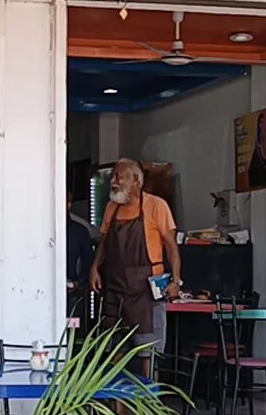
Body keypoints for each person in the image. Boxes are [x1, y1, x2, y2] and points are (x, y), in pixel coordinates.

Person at [88, 158, 181, 374]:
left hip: (146, 290)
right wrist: (94, 268)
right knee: (114, 348)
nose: (113, 181)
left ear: (136, 181)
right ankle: (116, 396)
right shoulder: (111, 208)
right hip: (115, 287)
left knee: (148, 351)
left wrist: (176, 281)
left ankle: (149, 395)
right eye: (113, 176)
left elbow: (172, 247)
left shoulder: (157, 206)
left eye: (119, 177)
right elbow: (104, 242)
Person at [65, 188, 94, 319]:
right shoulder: (36, 229)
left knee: (70, 327)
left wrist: (79, 282)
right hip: (38, 290)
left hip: (70, 292)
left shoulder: (80, 230)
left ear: (69, 205)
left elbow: (88, 261)